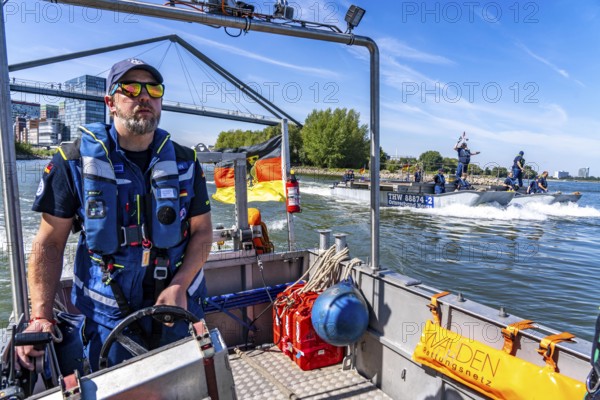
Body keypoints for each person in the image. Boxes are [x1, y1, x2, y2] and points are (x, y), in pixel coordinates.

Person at [17, 58, 213, 372]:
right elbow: (49, 243)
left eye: (153, 89)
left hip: (179, 308)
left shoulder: (185, 162)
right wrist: (40, 316)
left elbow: (203, 232)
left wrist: (180, 284)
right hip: (108, 319)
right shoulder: (72, 162)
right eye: (131, 88)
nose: (144, 96)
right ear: (110, 102)